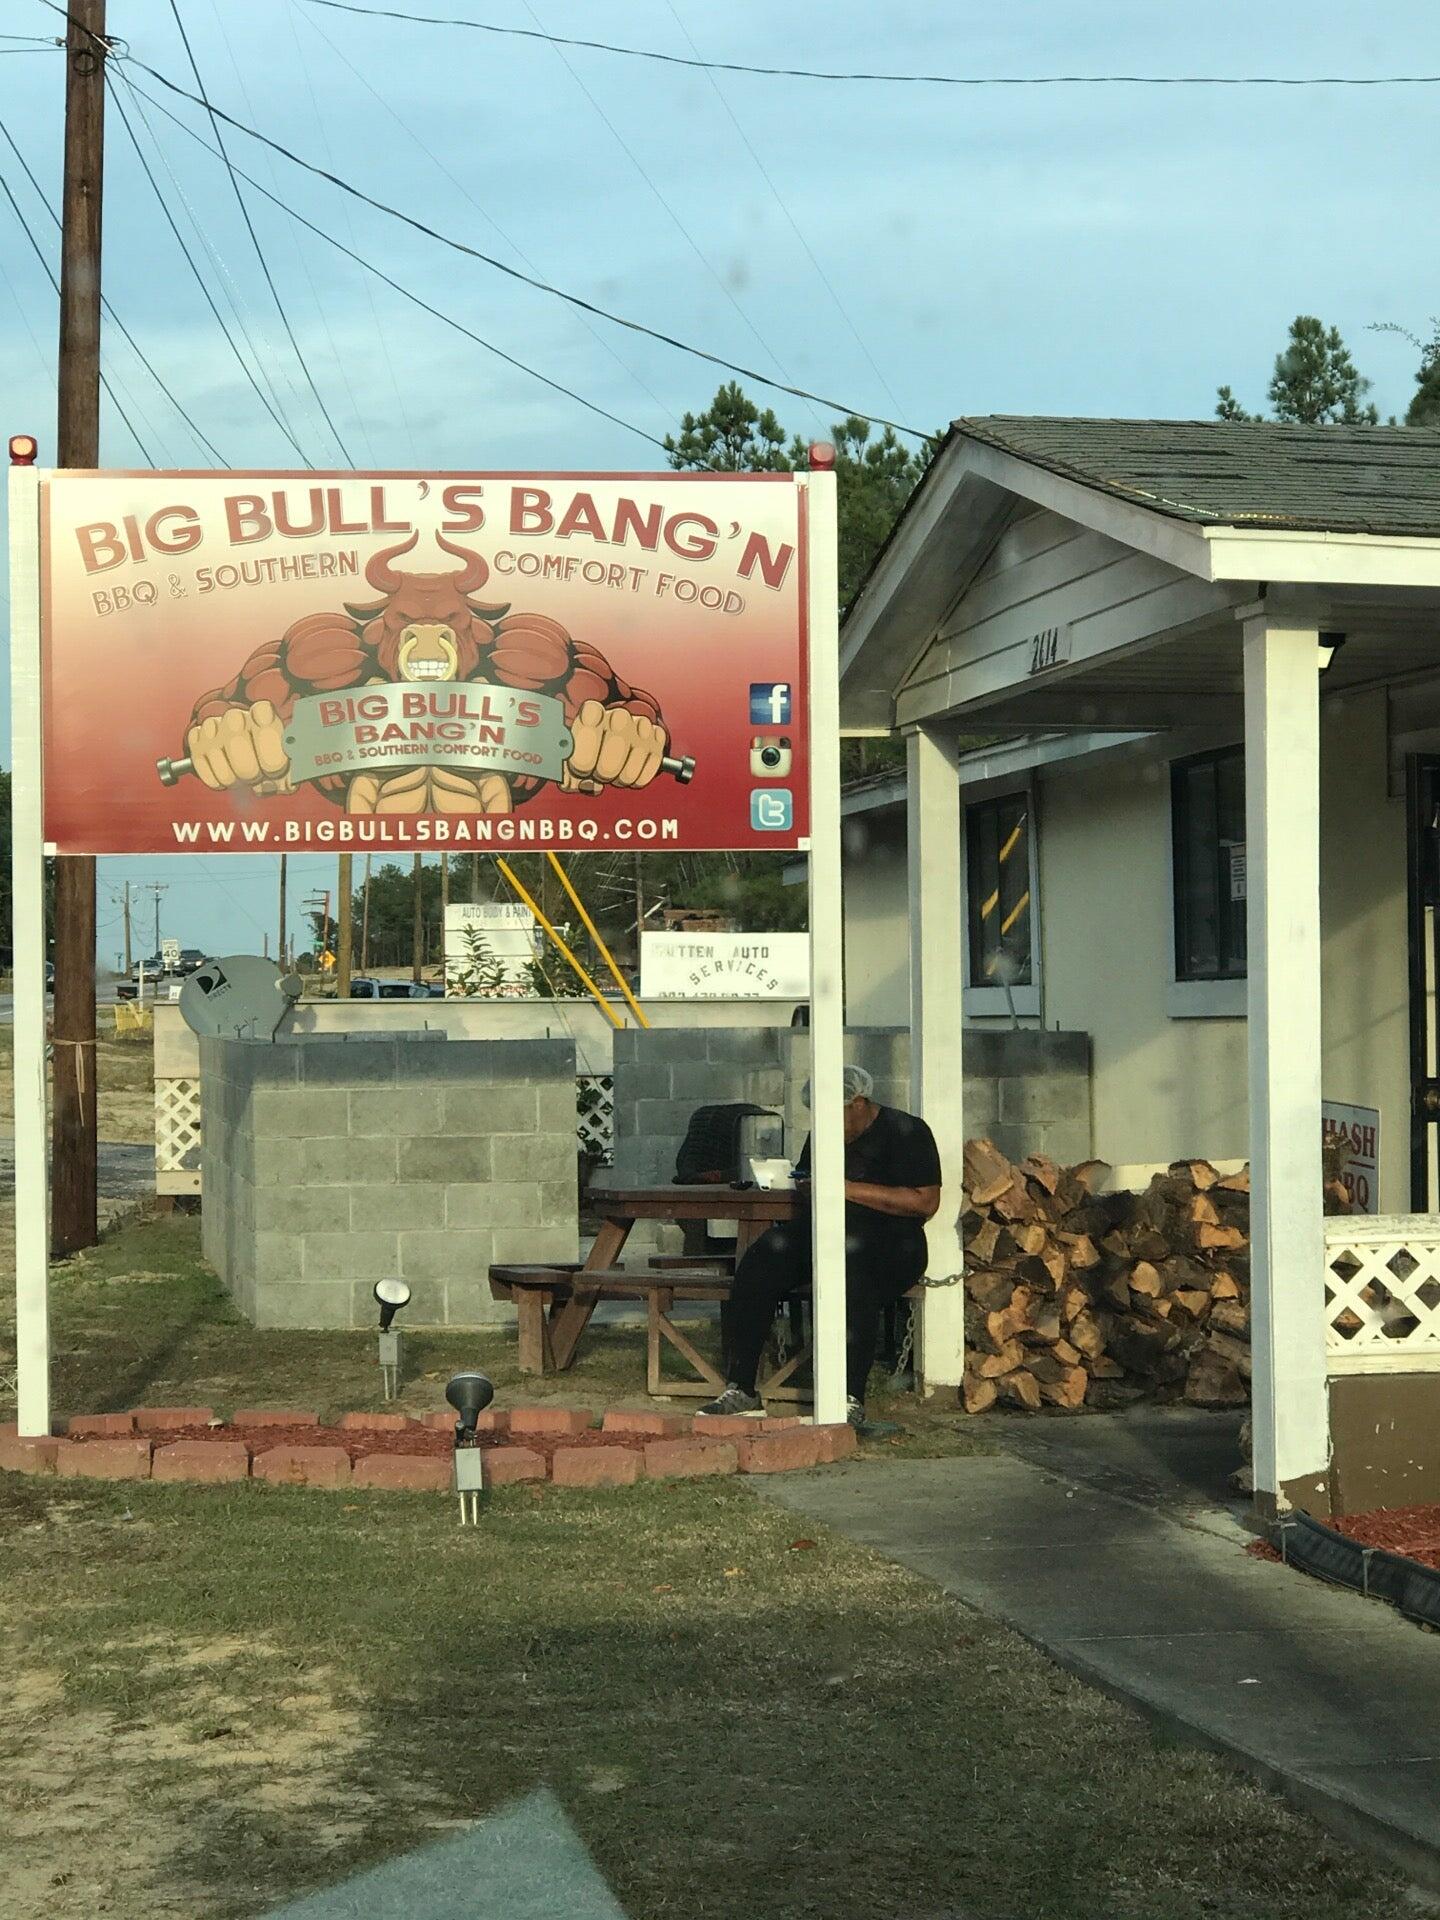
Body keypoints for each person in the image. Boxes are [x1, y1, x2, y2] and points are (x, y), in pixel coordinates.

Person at [700, 1065, 941, 1431]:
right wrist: (804, 1185)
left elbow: (924, 1201)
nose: (826, 1123)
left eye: (834, 1113)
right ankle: (742, 1387)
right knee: (761, 1258)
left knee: (852, 1273)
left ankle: (849, 1397)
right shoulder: (822, 1136)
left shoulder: (907, 1131)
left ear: (857, 1103)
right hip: (827, 1230)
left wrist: (844, 1188)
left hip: (893, 1241)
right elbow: (810, 1181)